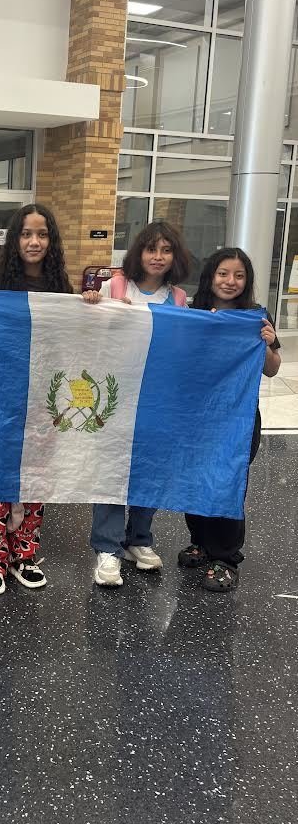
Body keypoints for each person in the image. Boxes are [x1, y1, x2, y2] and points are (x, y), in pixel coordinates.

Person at [81, 221, 191, 589]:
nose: (157, 257)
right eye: (150, 249)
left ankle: (139, 539)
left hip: (157, 397)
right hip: (116, 394)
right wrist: (98, 308)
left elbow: (181, 348)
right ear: (138, 253)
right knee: (111, 470)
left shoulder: (178, 298)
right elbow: (86, 334)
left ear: (174, 256)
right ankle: (107, 547)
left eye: (165, 250)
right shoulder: (115, 286)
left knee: (149, 469)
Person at [0, 204, 73, 595]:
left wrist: (98, 308)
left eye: (42, 234)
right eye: (26, 234)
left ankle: (24, 555)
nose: (34, 242)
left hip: (44, 402)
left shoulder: (61, 288)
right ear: (14, 239)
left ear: (51, 240)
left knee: (36, 478)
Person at [178, 248, 280, 592]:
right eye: (224, 273)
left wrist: (266, 343)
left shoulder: (255, 317)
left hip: (237, 421)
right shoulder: (194, 313)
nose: (230, 281)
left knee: (228, 483)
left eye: (239, 275)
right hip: (198, 419)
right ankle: (201, 543)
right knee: (197, 482)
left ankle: (225, 557)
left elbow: (272, 368)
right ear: (211, 276)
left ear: (247, 281)